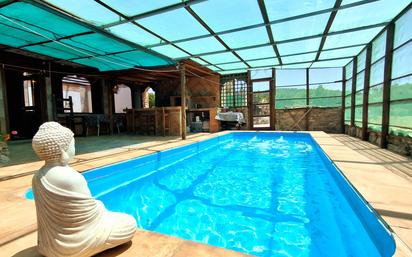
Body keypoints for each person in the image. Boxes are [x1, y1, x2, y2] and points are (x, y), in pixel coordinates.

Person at [32, 122, 136, 257]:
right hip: (73, 245)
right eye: (73, 145)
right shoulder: (71, 176)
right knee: (129, 223)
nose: (74, 148)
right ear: (63, 150)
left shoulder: (37, 176)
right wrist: (100, 206)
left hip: (47, 245)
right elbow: (91, 217)